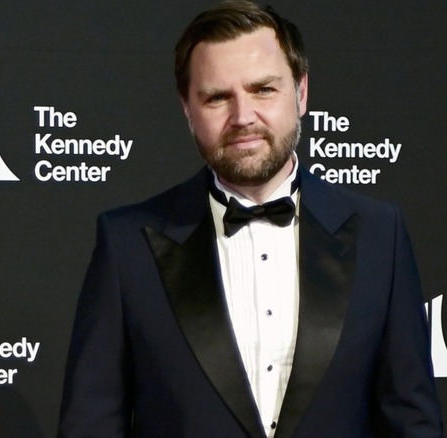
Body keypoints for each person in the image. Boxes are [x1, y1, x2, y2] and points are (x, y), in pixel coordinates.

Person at [58, 2, 443, 437]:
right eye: (218, 97)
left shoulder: (381, 234)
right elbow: (89, 426)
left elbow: (413, 422)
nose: (243, 117)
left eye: (263, 89)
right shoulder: (126, 243)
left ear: (301, 93)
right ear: (187, 107)